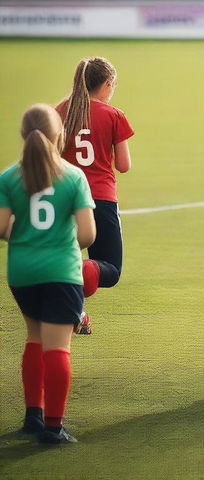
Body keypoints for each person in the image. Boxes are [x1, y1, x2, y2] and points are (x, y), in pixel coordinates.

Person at [0, 104, 96, 444]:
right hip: (61, 271)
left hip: (23, 273)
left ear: (24, 135)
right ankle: (54, 428)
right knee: (58, 348)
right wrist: (60, 238)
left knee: (33, 337)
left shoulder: (9, 177)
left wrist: (26, 236)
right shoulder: (73, 176)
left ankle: (33, 418)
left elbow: (1, 227)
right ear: (60, 136)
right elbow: (87, 235)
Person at [56, 57, 134, 334]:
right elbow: (123, 166)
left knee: (63, 261)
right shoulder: (113, 115)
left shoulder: (60, 111)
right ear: (107, 84)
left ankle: (76, 313)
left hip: (63, 198)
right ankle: (82, 271)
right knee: (109, 269)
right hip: (99, 198)